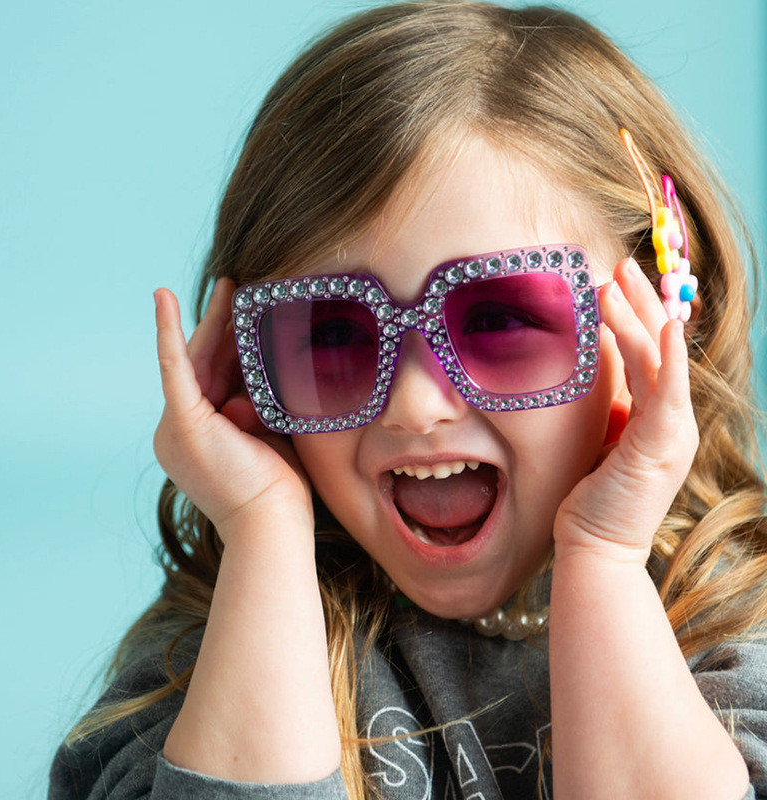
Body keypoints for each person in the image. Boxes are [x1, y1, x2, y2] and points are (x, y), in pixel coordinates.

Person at [48, 2, 767, 798]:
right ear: (249, 365)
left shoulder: (742, 633)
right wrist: (261, 526)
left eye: (497, 318)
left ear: (655, 320)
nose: (416, 404)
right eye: (333, 335)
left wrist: (603, 557)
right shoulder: (220, 646)